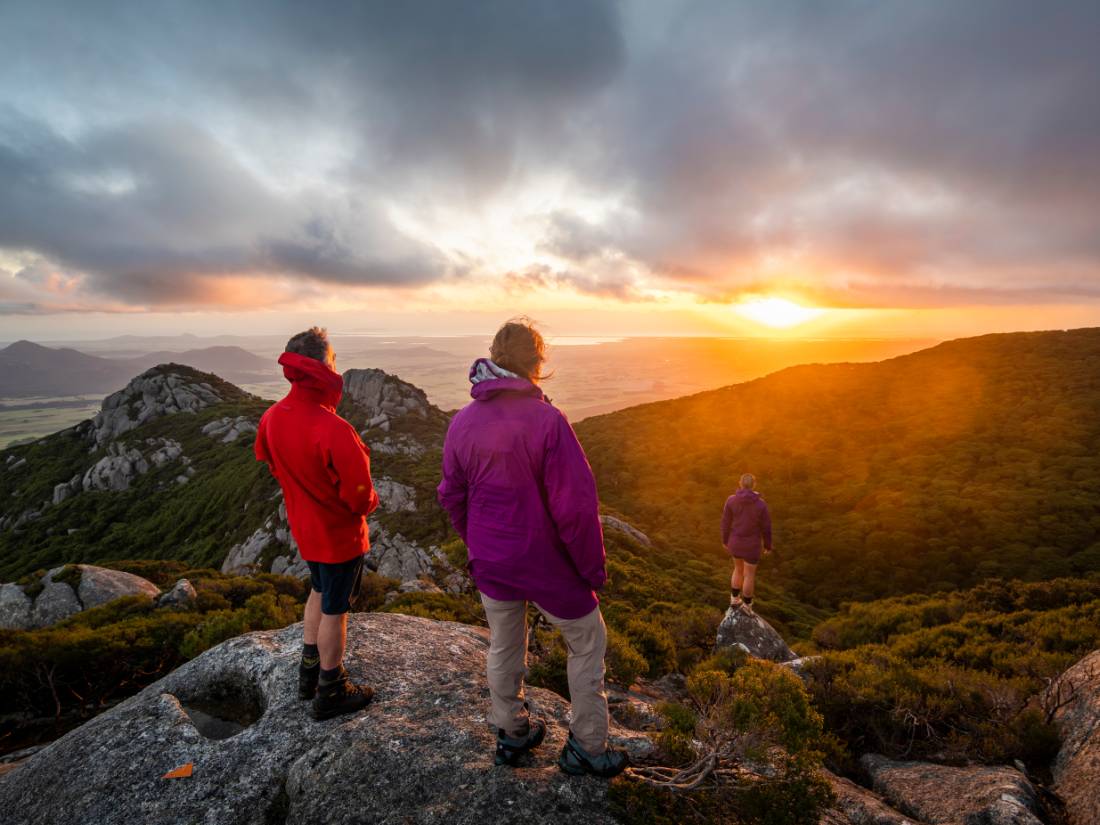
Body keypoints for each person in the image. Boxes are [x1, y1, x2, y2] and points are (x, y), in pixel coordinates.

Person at [437, 318, 628, 778]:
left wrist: (477, 542)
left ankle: (511, 732)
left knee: (504, 643)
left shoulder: (463, 421)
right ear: (536, 363)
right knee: (586, 641)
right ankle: (586, 746)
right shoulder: (547, 420)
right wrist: (591, 569)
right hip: (546, 563)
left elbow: (451, 494)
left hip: (493, 561)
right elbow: (576, 508)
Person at [254, 326, 380, 720]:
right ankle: (331, 688)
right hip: (340, 538)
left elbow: (271, 462)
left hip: (306, 532)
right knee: (336, 610)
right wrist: (370, 500)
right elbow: (361, 499)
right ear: (324, 366)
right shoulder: (335, 430)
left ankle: (308, 672)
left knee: (318, 591)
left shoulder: (273, 417)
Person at [720, 473, 773, 616]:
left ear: (740, 483)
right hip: (752, 545)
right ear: (754, 485)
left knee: (738, 569)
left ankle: (734, 599)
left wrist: (725, 540)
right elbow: (766, 527)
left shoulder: (731, 500)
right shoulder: (761, 504)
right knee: (749, 575)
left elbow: (725, 523)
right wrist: (768, 545)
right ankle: (748, 606)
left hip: (735, 542)